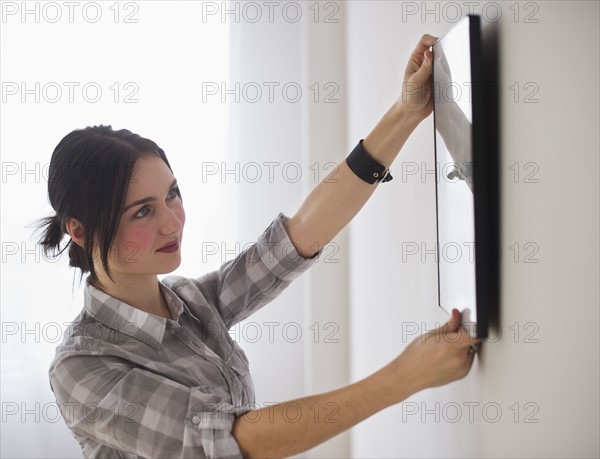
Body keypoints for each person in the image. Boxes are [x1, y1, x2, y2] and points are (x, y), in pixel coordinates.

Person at [38, 34, 481, 459]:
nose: (172, 222)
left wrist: (404, 113)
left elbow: (297, 238)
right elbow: (235, 442)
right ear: (79, 231)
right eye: (142, 211)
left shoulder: (191, 303)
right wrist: (404, 377)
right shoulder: (82, 366)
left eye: (172, 194)